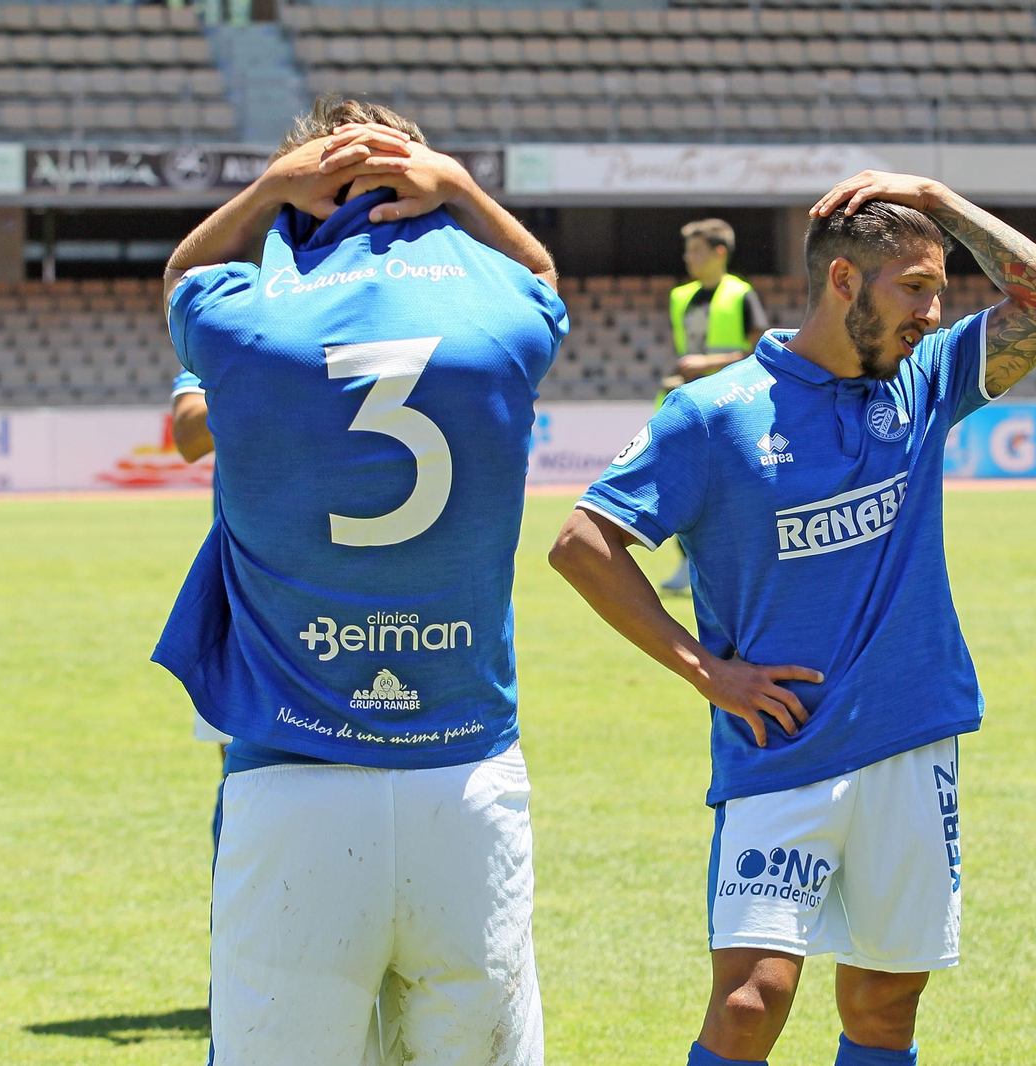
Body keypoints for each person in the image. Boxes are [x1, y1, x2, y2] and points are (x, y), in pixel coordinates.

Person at [549, 170, 1036, 1066]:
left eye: (939, 292)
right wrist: (704, 671)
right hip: (782, 749)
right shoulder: (714, 415)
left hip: (912, 736)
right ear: (843, 281)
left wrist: (938, 202)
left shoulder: (927, 379)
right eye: (914, 287)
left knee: (884, 1004)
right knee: (753, 1001)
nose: (931, 311)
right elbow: (581, 543)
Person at [152, 97, 566, 1065]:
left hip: (292, 769)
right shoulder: (501, 320)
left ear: (301, 197)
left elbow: (179, 279)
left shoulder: (247, 321)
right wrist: (461, 184)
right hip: (465, 772)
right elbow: (544, 278)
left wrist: (266, 192)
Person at [658, 219, 770, 592]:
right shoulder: (680, 296)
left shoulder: (741, 294)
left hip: (733, 405)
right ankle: (688, 563)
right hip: (687, 404)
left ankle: (731, 565)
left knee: (730, 488)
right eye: (687, 250)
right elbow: (684, 352)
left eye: (695, 250)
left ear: (719, 252)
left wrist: (705, 365)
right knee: (682, 487)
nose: (688, 257)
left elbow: (759, 349)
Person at [169, 369, 231, 849]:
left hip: (348, 589)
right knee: (241, 772)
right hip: (244, 604)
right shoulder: (227, 340)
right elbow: (188, 436)